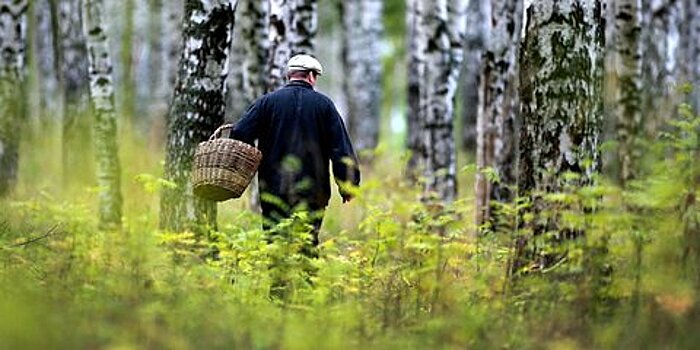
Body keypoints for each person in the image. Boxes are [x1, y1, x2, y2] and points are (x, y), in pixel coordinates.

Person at [230, 54, 360, 252]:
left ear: (289, 76)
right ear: (310, 76)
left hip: (273, 188)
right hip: (313, 191)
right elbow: (340, 148)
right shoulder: (324, 105)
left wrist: (250, 161)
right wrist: (348, 185)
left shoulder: (267, 103)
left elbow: (239, 132)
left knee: (275, 244)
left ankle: (278, 283)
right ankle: (304, 281)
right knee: (306, 245)